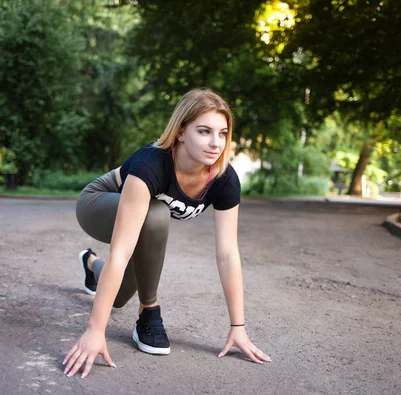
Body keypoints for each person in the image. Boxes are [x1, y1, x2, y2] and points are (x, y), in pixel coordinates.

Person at [62, 88, 271, 378]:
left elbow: (227, 254)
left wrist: (239, 328)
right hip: (99, 202)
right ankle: (149, 311)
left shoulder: (223, 178)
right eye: (204, 131)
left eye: (222, 133)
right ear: (181, 132)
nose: (215, 143)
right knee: (156, 212)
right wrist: (96, 330)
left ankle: (90, 264)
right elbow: (122, 251)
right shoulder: (152, 163)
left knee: (120, 296)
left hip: (141, 216)